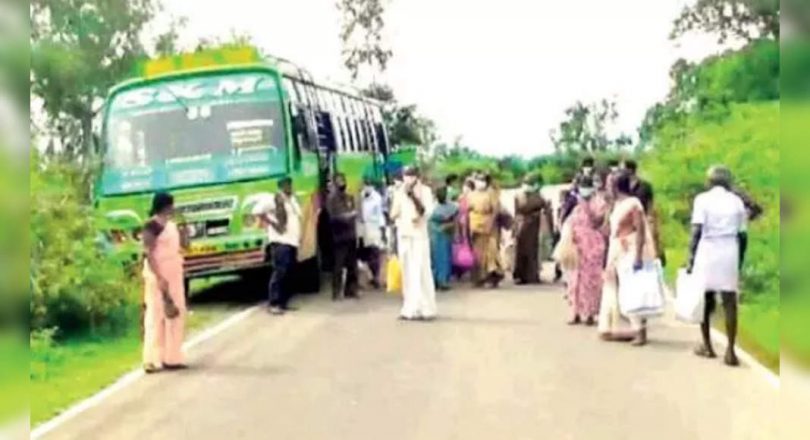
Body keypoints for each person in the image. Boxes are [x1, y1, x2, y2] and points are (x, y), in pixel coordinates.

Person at [688, 166, 748, 367]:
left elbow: (697, 230)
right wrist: (739, 260)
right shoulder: (737, 201)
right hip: (729, 249)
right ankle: (730, 350)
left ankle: (707, 346)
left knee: (706, 298)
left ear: (709, 181)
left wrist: (691, 257)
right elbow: (743, 235)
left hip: (708, 248)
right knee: (730, 301)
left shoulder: (702, 200)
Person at [598, 172, 657, 345]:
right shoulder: (617, 205)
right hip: (617, 250)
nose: (607, 187)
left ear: (616, 186)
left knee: (632, 290)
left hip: (630, 250)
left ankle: (640, 331)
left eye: (609, 184)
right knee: (616, 288)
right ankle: (622, 328)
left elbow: (639, 230)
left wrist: (638, 256)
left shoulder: (633, 204)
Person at [142, 192, 187, 372]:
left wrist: (184, 228)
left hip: (174, 271)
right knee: (156, 314)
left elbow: (185, 246)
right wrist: (159, 277)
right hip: (157, 271)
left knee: (175, 313)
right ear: (165, 206)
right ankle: (151, 358)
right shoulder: (151, 226)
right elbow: (148, 253)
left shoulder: (172, 226)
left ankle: (172, 357)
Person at [390, 166, 437, 320]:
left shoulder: (426, 191)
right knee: (408, 271)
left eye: (411, 175)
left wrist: (414, 199)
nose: (408, 178)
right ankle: (409, 308)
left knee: (421, 270)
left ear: (417, 176)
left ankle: (427, 309)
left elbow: (427, 211)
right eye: (406, 175)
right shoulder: (399, 192)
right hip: (404, 235)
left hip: (419, 236)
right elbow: (393, 212)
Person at [255, 177, 302, 315]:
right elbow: (257, 211)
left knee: (289, 272)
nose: (290, 186)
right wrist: (273, 223)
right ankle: (274, 303)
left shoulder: (292, 199)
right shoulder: (273, 199)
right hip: (280, 241)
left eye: (290, 184)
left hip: (292, 241)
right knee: (280, 272)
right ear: (281, 186)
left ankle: (283, 302)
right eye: (287, 185)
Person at [567, 176, 609, 325]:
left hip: (593, 244)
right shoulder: (576, 204)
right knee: (574, 279)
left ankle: (590, 313)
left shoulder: (600, 203)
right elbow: (570, 222)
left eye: (586, 186)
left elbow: (597, 221)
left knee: (590, 279)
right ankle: (575, 312)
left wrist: (586, 207)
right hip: (577, 244)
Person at [622, 159, 666, 267]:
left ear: (630, 170)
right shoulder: (623, 187)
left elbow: (651, 205)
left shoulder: (645, 186)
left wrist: (652, 221)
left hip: (644, 219)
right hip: (628, 225)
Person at [513, 174, 552, 285]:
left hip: (534, 226)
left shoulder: (539, 196)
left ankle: (531, 275)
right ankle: (520, 275)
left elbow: (546, 209)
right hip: (523, 225)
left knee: (533, 251)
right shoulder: (520, 196)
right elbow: (518, 212)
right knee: (521, 250)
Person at [326, 173, 359, 301]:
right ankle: (336, 292)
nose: (342, 183)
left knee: (352, 264)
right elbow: (332, 217)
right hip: (339, 236)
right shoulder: (331, 199)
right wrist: (346, 216)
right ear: (334, 183)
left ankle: (351, 290)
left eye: (343, 180)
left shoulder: (349, 197)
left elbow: (354, 211)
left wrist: (351, 215)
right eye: (339, 181)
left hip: (351, 234)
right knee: (338, 266)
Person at [468, 173, 503, 287]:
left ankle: (492, 277)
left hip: (489, 224)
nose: (480, 182)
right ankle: (479, 278)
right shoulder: (471, 194)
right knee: (478, 253)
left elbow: (495, 210)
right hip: (475, 224)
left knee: (491, 252)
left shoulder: (491, 194)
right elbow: (468, 209)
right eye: (478, 180)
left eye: (482, 180)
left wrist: (491, 224)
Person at [358, 176, 386, 289]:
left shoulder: (377, 197)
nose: (367, 187)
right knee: (363, 254)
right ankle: (368, 277)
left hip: (374, 227)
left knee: (375, 253)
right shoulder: (360, 196)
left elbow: (380, 215)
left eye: (369, 185)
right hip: (362, 227)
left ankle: (376, 277)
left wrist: (382, 230)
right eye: (365, 185)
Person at [429, 186, 458, 290]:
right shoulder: (434, 206)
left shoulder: (451, 206)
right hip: (437, 233)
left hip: (440, 233)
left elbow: (455, 220)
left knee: (441, 257)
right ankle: (438, 280)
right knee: (439, 257)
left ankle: (441, 280)